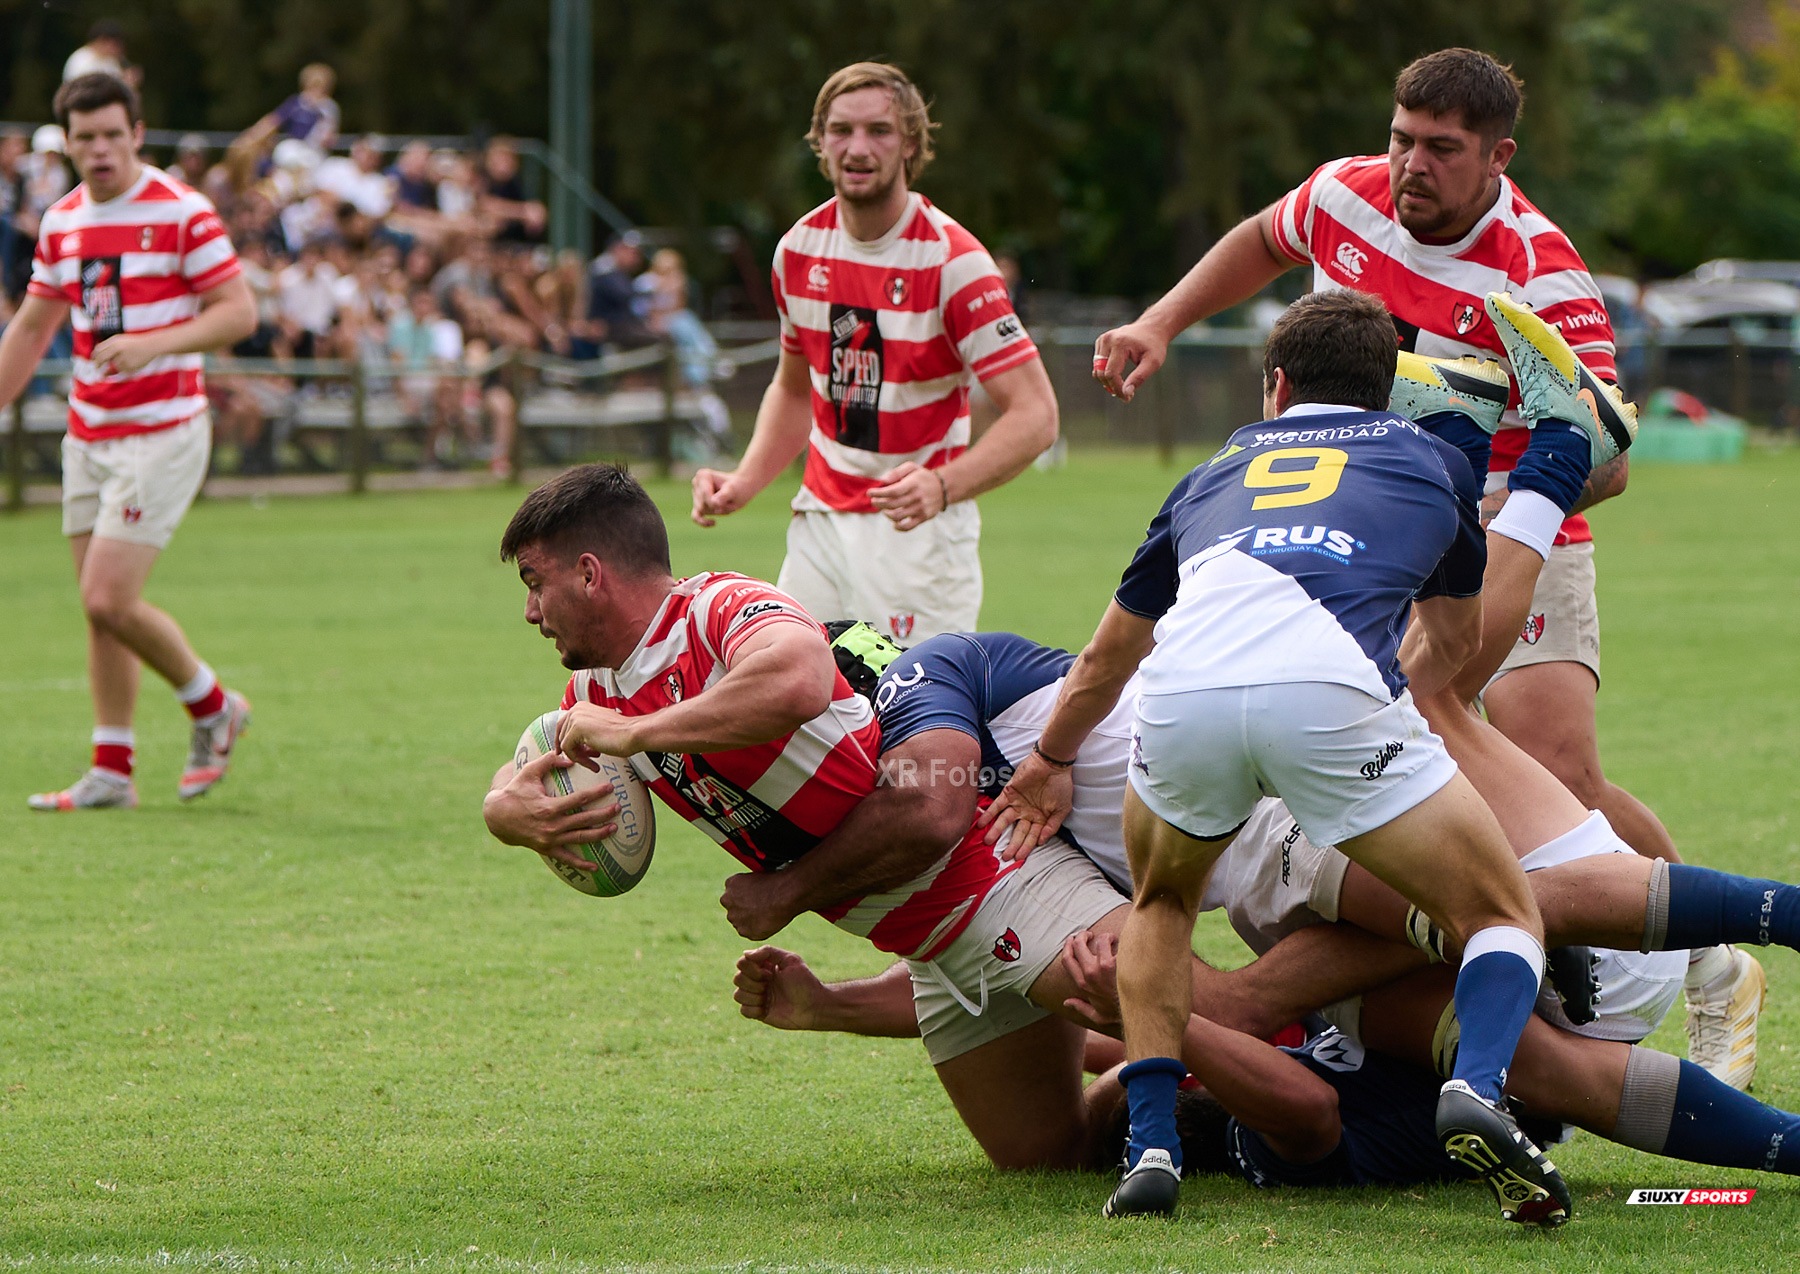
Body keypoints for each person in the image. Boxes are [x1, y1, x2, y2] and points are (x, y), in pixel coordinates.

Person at [1088, 50, 1745, 1053]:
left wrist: (1520, 499)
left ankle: (1709, 955)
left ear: (1497, 157)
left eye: (1442, 149)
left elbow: (1605, 451)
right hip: (1364, 532)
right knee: (1395, 741)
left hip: (1512, 522)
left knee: (1553, 768)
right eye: (1402, 139)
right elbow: (1264, 239)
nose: (1410, 166)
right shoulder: (1344, 195)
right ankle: (1437, 974)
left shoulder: (1543, 272)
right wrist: (1162, 320)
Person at [987, 288, 1632, 1225]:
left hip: (1183, 690)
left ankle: (1153, 1144)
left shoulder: (1209, 474)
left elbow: (1103, 658)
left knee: (1162, 906)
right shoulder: (1428, 460)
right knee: (1499, 909)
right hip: (1328, 692)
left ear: (1275, 385)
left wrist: (1049, 757)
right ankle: (1480, 1088)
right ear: (1388, 395)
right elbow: (1454, 645)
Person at [689, 62, 1059, 647]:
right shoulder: (798, 251)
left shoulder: (954, 263)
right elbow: (794, 388)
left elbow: (1037, 415)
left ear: (911, 143)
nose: (857, 148)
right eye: (841, 130)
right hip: (821, 523)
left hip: (917, 537)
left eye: (879, 131)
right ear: (820, 142)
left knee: (913, 729)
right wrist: (746, 479)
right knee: (791, 706)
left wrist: (941, 485)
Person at [0, 74, 257, 810]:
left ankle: (213, 708)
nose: (101, 149)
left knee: (109, 596)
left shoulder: (183, 212)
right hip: (90, 432)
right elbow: (32, 327)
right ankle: (112, 768)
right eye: (86, 138)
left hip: (163, 431)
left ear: (138, 133)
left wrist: (157, 342)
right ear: (68, 143)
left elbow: (238, 312)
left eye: (114, 133)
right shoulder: (62, 220)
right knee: (98, 607)